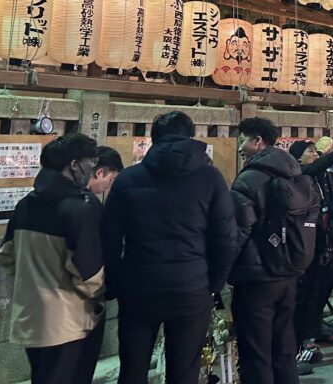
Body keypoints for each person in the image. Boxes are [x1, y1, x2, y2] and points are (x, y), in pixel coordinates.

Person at [102, 112, 239, 384]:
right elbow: (226, 238)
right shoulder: (210, 178)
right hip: (191, 287)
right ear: (190, 137)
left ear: (154, 139)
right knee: (184, 371)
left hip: (139, 288)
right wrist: (214, 283)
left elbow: (109, 239)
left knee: (132, 369)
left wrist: (115, 286)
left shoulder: (128, 179)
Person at [0, 134, 103, 384]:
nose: (93, 169)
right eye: (91, 162)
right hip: (68, 322)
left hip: (30, 317)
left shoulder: (25, 205)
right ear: (74, 165)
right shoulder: (78, 209)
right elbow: (89, 276)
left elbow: (6, 256)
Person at [231, 118, 319, 384]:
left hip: (256, 278)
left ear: (257, 141)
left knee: (256, 352)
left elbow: (237, 233)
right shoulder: (295, 173)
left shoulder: (249, 179)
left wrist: (220, 272)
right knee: (283, 348)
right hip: (288, 273)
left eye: (242, 141)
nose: (240, 148)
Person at [289, 140, 333, 366]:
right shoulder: (298, 174)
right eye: (309, 151)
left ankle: (315, 330)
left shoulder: (322, 177)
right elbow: (312, 168)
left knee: (323, 287)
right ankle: (303, 341)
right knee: (307, 293)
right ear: (297, 157)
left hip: (326, 240)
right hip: (307, 243)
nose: (314, 154)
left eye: (315, 150)